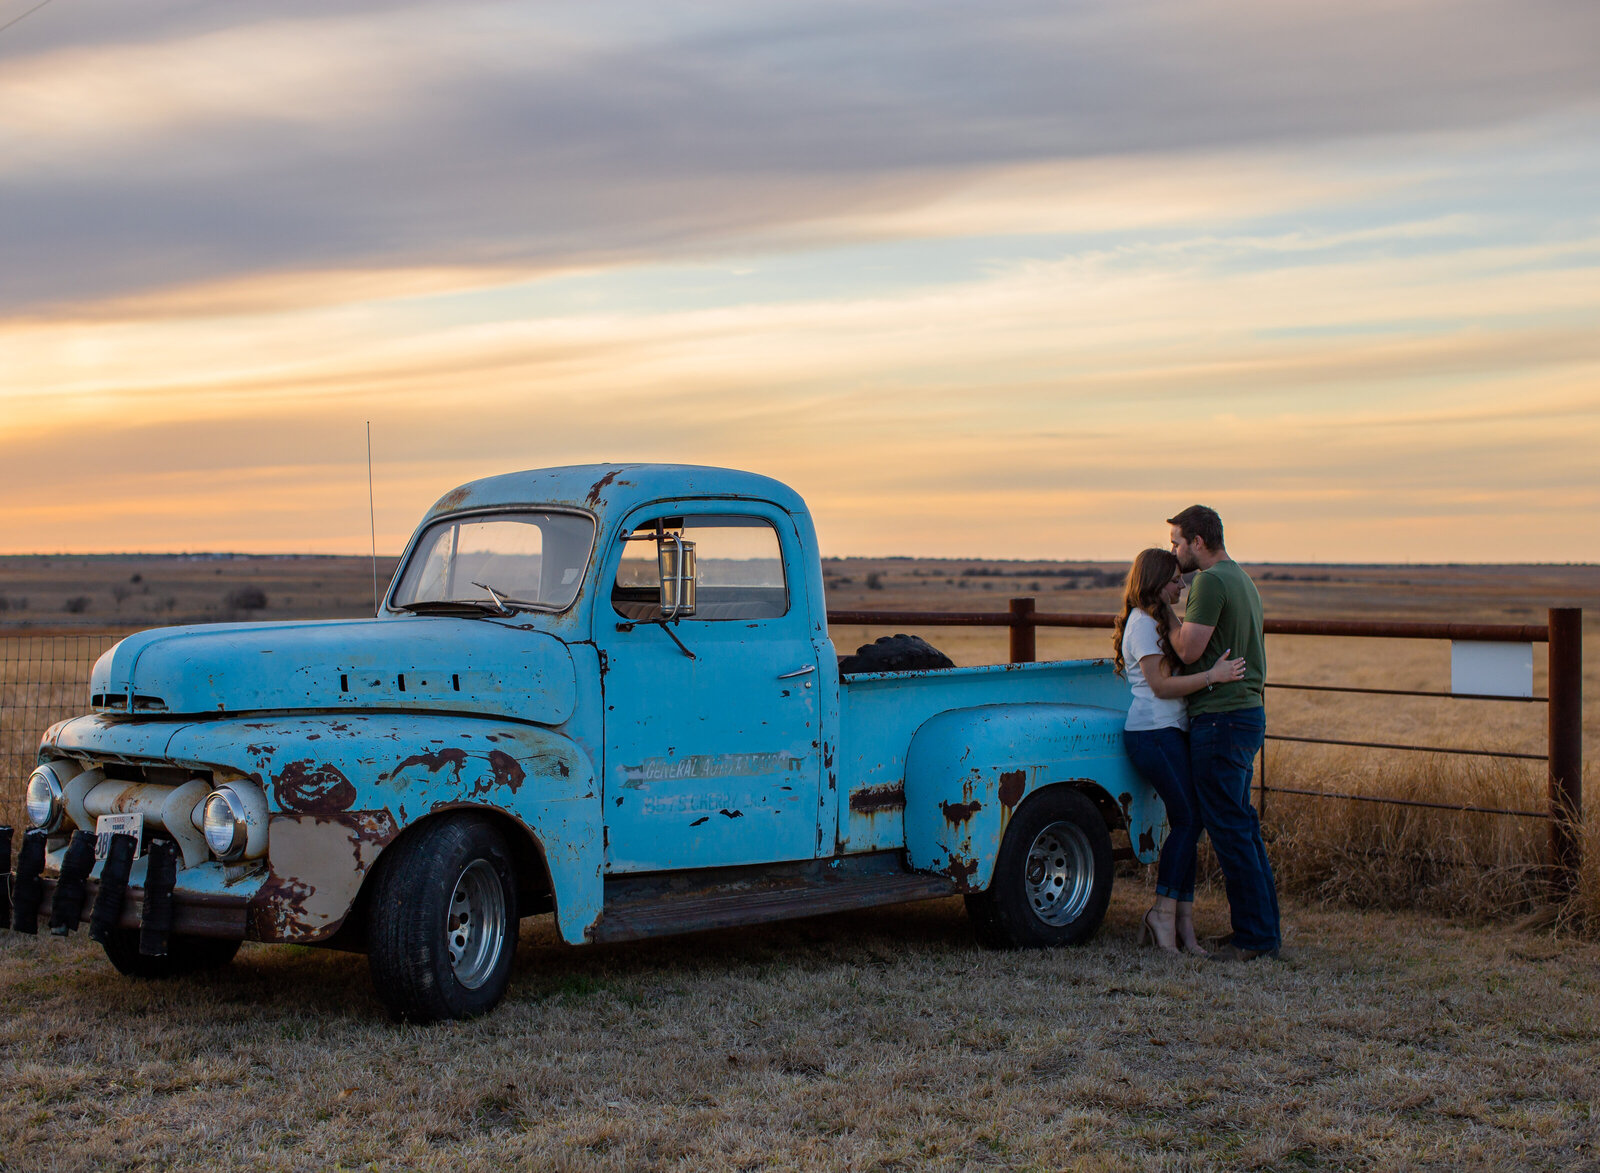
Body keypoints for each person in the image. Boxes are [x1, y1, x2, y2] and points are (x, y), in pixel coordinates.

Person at [1113, 548, 1247, 956]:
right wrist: (1213, 677)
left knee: (1192, 820)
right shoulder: (1140, 625)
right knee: (1188, 820)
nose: (1182, 586)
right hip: (1152, 732)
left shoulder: (1156, 619)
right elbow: (1161, 687)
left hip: (1170, 730)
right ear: (1156, 583)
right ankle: (1162, 915)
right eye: (1174, 580)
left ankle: (1182, 924)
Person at [1166, 504, 1279, 962]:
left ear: (1197, 541)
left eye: (1177, 541)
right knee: (1243, 827)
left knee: (1231, 828)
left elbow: (1189, 652)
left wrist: (1159, 610)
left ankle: (1253, 938)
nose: (1174, 552)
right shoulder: (1242, 578)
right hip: (1246, 714)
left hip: (1221, 718)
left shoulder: (1210, 582)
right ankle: (1263, 932)